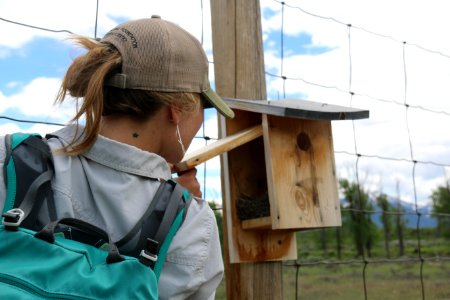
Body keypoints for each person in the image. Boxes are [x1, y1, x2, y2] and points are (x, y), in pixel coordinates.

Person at [0, 16, 234, 299]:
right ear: (176, 109)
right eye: (203, 106)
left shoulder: (11, 160)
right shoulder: (192, 225)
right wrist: (178, 207)